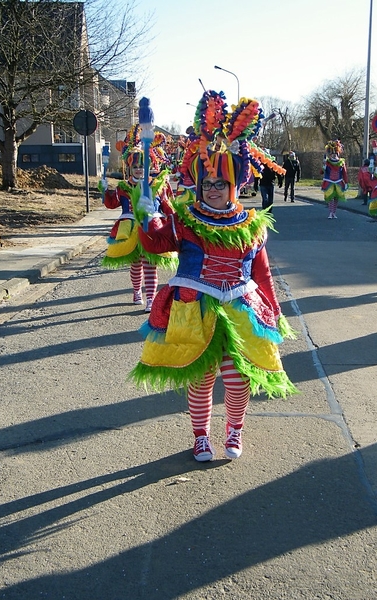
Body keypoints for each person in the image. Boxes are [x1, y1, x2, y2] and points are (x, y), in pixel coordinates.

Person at [130, 91, 298, 462]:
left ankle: (234, 430)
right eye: (207, 183)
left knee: (237, 378)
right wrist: (147, 217)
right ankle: (202, 436)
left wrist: (274, 312)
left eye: (220, 184)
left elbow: (262, 273)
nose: (213, 189)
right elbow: (158, 243)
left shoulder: (252, 225)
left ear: (235, 185)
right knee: (202, 377)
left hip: (240, 306)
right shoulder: (186, 219)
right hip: (195, 306)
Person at [99, 126, 177, 311]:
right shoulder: (123, 187)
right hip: (130, 227)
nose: (139, 169)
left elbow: (168, 207)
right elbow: (111, 204)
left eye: (142, 166)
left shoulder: (157, 185)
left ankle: (151, 298)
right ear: (129, 167)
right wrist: (104, 191)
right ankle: (136, 291)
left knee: (150, 264)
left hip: (152, 227)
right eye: (135, 166)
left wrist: (176, 220)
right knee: (135, 265)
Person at [321, 139, 348, 219]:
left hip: (338, 182)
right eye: (332, 153)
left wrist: (346, 182)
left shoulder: (341, 162)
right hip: (329, 182)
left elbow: (344, 173)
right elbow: (321, 172)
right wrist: (324, 166)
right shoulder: (327, 162)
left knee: (336, 198)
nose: (334, 155)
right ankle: (330, 212)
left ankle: (334, 212)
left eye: (335, 153)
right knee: (331, 198)